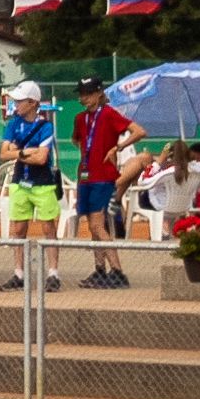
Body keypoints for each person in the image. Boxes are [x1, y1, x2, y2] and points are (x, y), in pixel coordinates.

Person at [0, 81, 62, 284]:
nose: (15, 104)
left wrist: (16, 153)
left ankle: (53, 273)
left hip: (42, 182)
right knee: (18, 228)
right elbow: (3, 153)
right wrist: (26, 152)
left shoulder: (45, 126)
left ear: (33, 103)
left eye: (20, 101)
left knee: (48, 227)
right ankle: (19, 273)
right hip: (19, 180)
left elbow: (42, 158)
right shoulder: (13, 124)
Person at [70, 92, 132, 286]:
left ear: (98, 93)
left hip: (103, 177)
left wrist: (118, 147)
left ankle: (117, 271)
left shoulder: (109, 114)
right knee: (92, 226)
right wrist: (89, 151)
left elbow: (139, 131)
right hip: (86, 175)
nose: (84, 98)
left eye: (88, 94)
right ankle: (99, 270)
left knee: (98, 225)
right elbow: (76, 140)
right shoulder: (80, 118)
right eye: (82, 95)